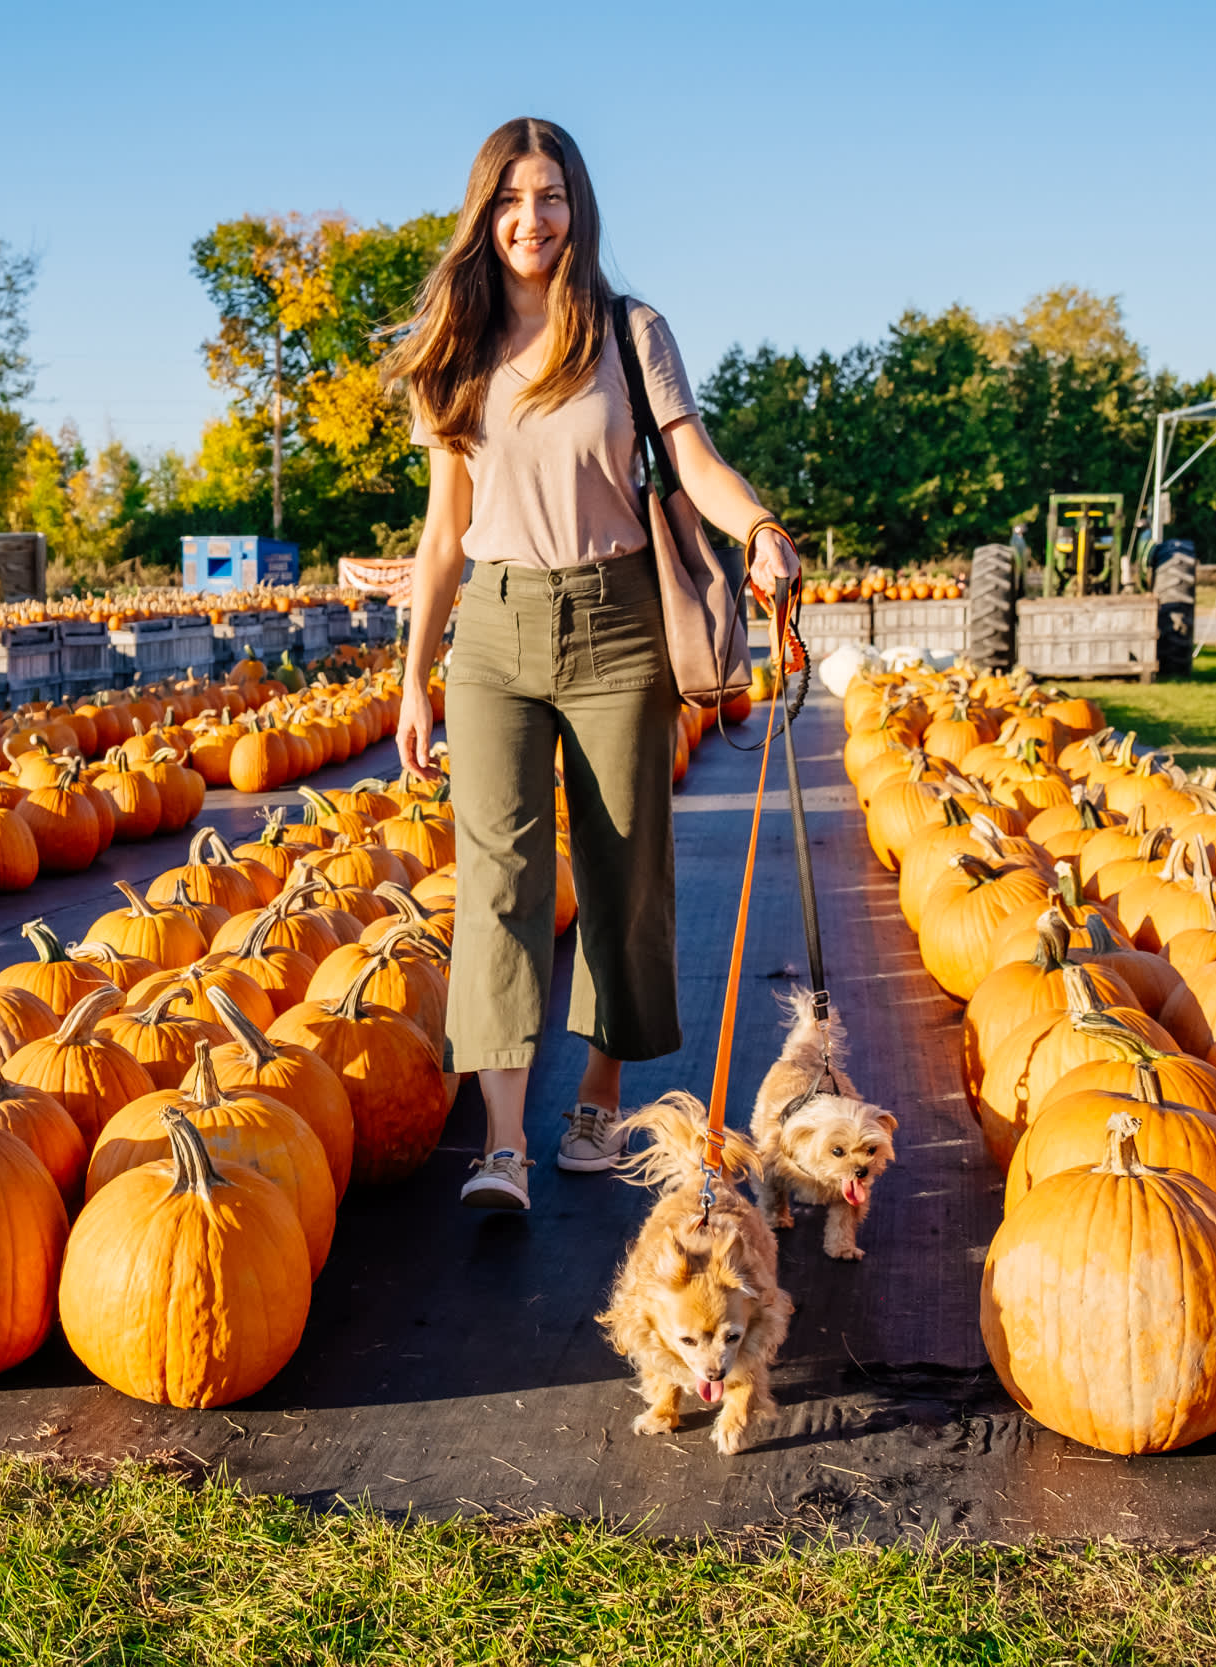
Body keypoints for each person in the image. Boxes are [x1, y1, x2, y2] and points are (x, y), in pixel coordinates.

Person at [384, 117, 802, 1211]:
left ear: (579, 209)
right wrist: (412, 679)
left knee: (622, 874)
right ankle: (504, 1143)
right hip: (495, 632)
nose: (534, 218)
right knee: (501, 882)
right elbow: (442, 535)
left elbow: (695, 460)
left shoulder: (628, 329)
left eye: (553, 195)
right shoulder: (455, 348)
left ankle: (599, 1099)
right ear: (485, 213)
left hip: (618, 624)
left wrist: (756, 529)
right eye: (514, 198)